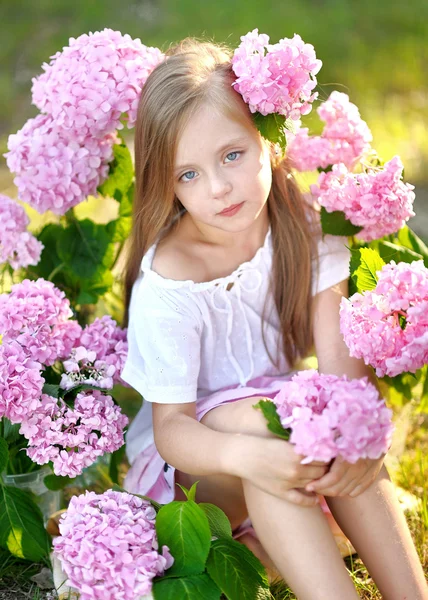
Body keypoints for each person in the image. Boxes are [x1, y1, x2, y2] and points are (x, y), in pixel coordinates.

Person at [121, 38, 427, 599]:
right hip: (197, 473)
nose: (217, 188)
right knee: (278, 422)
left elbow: (342, 381)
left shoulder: (305, 230)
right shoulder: (170, 278)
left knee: (324, 420)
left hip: (283, 442)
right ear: (164, 182)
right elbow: (172, 431)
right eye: (187, 174)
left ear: (269, 140)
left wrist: (358, 442)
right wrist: (249, 453)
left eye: (232, 155)